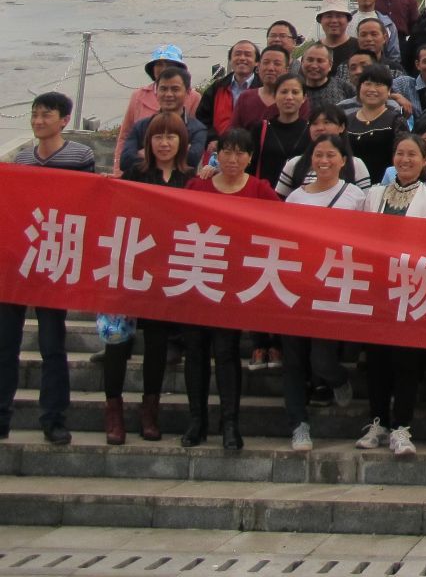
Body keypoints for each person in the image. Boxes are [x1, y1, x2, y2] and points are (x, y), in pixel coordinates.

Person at [2, 93, 94, 446]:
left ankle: (54, 417)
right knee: (5, 344)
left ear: (64, 119)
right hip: (17, 261)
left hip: (55, 258)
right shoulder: (22, 159)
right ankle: (1, 415)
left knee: (52, 344)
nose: (39, 121)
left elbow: (84, 204)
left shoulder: (80, 156)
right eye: (35, 115)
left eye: (46, 115)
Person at [182, 128, 280, 450]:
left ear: (250, 158)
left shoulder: (259, 189)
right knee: (195, 351)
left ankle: (230, 424)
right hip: (198, 277)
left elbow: (284, 223)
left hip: (233, 284)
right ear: (217, 154)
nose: (233, 159)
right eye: (227, 151)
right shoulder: (198, 186)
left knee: (226, 352)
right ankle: (197, 421)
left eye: (240, 153)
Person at [103, 111, 194, 444]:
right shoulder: (135, 174)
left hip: (167, 273)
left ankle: (149, 412)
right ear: (148, 142)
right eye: (158, 137)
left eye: (171, 137)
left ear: (182, 142)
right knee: (117, 342)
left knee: (157, 344)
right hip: (131, 268)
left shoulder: (190, 179)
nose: (164, 143)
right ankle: (113, 412)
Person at [357, 135, 426, 457]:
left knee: (406, 361)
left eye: (412, 154)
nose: (405, 159)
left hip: (413, 287)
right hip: (378, 287)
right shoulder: (374, 194)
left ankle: (401, 426)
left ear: (425, 160)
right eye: (400, 153)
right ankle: (378, 422)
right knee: (377, 359)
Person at [280, 134, 362, 451]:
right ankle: (298, 425)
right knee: (293, 360)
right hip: (296, 286)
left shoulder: (355, 196)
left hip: (332, 287)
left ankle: (337, 379)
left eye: (331, 155)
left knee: (321, 359)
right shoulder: (296, 197)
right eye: (318, 155)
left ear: (343, 161)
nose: (324, 161)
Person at [112, 45, 200, 177]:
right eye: (159, 64)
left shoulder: (193, 98)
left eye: (169, 64)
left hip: (176, 173)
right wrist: (118, 170)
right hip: (139, 170)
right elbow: (125, 135)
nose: (163, 68)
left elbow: (196, 141)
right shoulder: (138, 96)